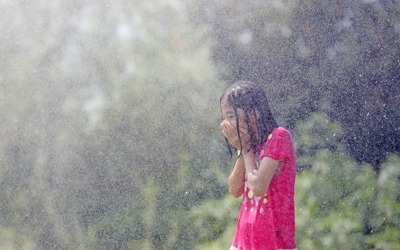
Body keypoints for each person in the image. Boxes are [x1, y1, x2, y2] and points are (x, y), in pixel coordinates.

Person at [220, 81, 297, 250]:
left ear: (254, 113)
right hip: (242, 243)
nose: (226, 124)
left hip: (275, 244)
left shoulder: (279, 137)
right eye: (224, 118)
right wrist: (243, 150)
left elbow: (259, 187)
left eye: (231, 116)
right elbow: (234, 189)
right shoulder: (252, 145)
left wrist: (246, 149)